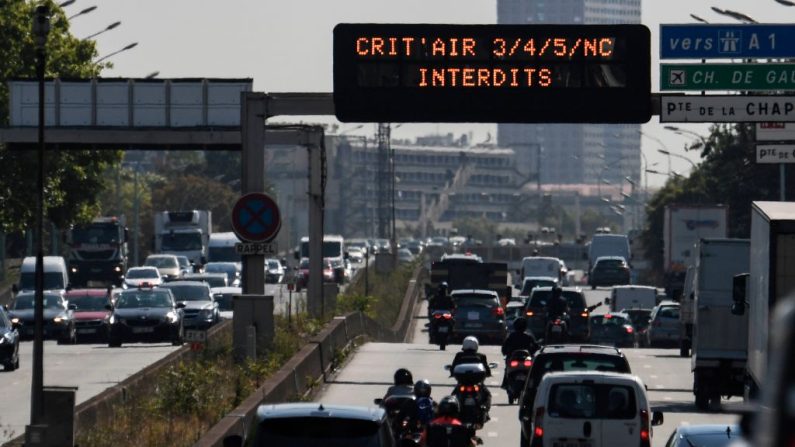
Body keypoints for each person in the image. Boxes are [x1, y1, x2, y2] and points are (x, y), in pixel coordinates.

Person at [450, 336, 492, 414]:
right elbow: (486, 369)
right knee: (487, 394)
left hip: (463, 382)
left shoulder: (459, 355)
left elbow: (453, 367)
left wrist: (451, 372)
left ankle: (453, 411)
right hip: (475, 383)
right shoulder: (481, 356)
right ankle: (485, 409)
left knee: (453, 395)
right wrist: (488, 373)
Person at [500, 317, 539, 387]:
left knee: (533, 372)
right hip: (519, 359)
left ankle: (505, 384)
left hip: (523, 359)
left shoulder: (512, 336)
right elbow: (536, 347)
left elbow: (504, 348)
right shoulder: (528, 336)